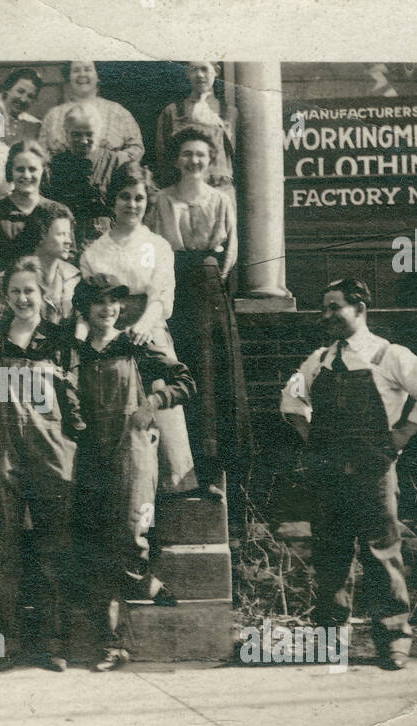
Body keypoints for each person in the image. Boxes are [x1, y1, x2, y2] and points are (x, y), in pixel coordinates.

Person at [280, 278, 417, 670]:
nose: (327, 316)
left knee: (381, 551)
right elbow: (291, 397)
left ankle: (394, 635)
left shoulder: (388, 355)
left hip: (373, 469)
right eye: (323, 308)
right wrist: (311, 435)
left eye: (335, 307)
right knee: (330, 553)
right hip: (328, 470)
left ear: (360, 308)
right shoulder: (320, 359)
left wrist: (403, 434)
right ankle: (330, 637)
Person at [72, 274, 196, 671]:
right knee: (96, 543)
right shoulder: (73, 353)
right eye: (99, 302)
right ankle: (113, 643)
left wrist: (154, 400)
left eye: (114, 302)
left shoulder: (136, 345)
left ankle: (141, 577)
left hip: (134, 452)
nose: (108, 309)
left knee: (130, 530)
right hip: (90, 453)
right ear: (84, 309)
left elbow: (184, 380)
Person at [0, 259, 84, 672]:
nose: (23, 299)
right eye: (16, 292)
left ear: (43, 297)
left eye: (30, 292)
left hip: (51, 452)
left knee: (55, 547)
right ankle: (5, 643)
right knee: (3, 549)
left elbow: (74, 399)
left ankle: (55, 644)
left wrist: (72, 443)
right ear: (5, 297)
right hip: (2, 451)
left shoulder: (59, 340)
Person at [80, 161, 198, 494]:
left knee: (162, 395)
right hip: (108, 329)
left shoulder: (157, 246)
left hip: (149, 327)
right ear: (112, 201)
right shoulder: (95, 251)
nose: (132, 205)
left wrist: (144, 326)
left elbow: (161, 293)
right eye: (124, 197)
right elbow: (92, 300)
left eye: (139, 198)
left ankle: (176, 485)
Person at [150, 127, 248, 488]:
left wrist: (212, 277)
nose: (193, 160)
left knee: (210, 371)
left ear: (210, 161)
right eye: (187, 154)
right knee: (180, 365)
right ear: (177, 160)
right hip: (173, 287)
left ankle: (211, 465)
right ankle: (179, 465)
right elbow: (153, 246)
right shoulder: (161, 200)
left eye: (201, 155)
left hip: (207, 292)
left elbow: (231, 250)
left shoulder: (221, 199)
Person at [46, 102, 123, 252]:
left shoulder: (114, 163)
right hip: (67, 242)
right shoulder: (55, 165)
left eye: (89, 134)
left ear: (99, 133)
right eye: (76, 134)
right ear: (66, 133)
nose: (83, 140)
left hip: (106, 242)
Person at [0, 141, 62, 278]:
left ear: (43, 171)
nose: (27, 175)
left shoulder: (57, 213)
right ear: (10, 170)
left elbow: (66, 259)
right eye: (20, 169)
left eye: (33, 169)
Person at [40, 61, 144, 162]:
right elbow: (41, 152)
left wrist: (112, 161)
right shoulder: (53, 115)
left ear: (98, 75)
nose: (82, 74)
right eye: (76, 70)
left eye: (87, 69)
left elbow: (136, 147)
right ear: (69, 77)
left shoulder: (118, 112)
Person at [155, 61, 236, 188]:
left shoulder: (229, 113)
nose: (199, 75)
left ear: (217, 71)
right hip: (183, 190)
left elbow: (237, 159)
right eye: (194, 69)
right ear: (187, 72)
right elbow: (162, 159)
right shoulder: (172, 111)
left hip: (220, 189)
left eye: (204, 69)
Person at [3, 208, 80, 326]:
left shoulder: (74, 278)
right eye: (61, 234)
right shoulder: (9, 279)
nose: (68, 241)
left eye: (68, 235)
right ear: (41, 235)